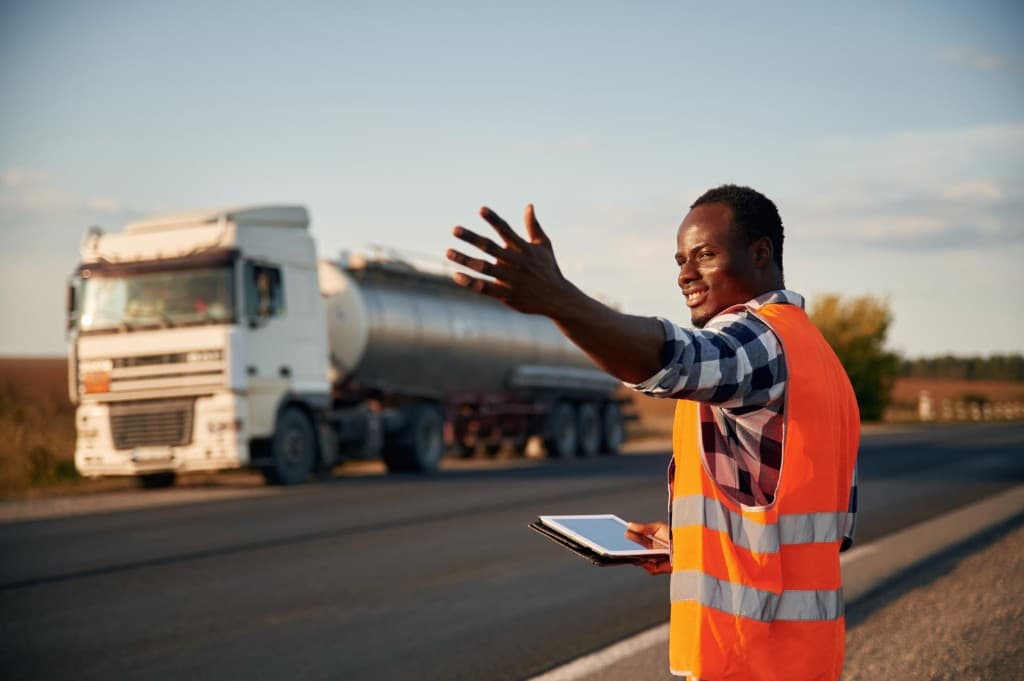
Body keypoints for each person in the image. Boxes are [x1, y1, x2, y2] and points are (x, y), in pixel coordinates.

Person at [446, 185, 860, 681]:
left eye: (705, 255)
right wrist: (691, 546)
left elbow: (674, 359)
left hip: (749, 660)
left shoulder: (761, 342)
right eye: (681, 260)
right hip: (806, 659)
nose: (685, 274)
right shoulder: (819, 360)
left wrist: (559, 300)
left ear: (760, 253)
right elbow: (811, 536)